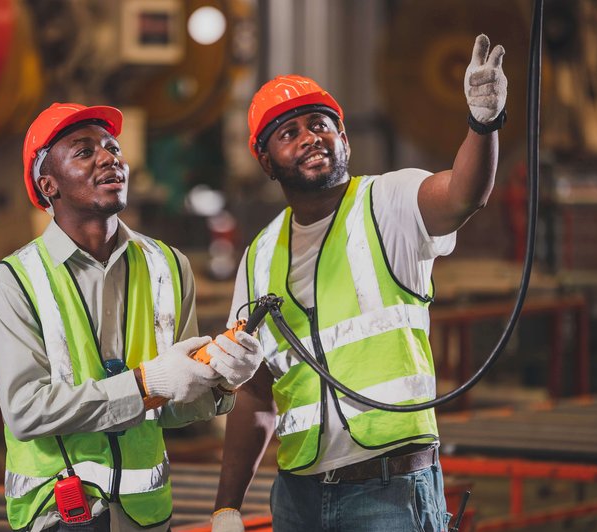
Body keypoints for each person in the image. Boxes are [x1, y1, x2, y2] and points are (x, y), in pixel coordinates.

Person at [211, 34, 507, 531]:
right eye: (289, 132)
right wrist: (227, 505)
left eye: (320, 125)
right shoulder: (259, 255)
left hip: (391, 490)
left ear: (343, 139)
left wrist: (482, 124)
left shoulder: (388, 203)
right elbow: (257, 392)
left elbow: (462, 194)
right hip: (297, 496)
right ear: (266, 161)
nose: (309, 137)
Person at [0, 102, 262, 532]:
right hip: (58, 514)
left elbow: (173, 407)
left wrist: (221, 378)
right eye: (84, 151)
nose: (110, 157)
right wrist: (143, 384)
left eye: (112, 147)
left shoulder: (168, 265)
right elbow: (26, 412)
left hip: (146, 513)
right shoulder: (15, 282)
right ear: (48, 184)